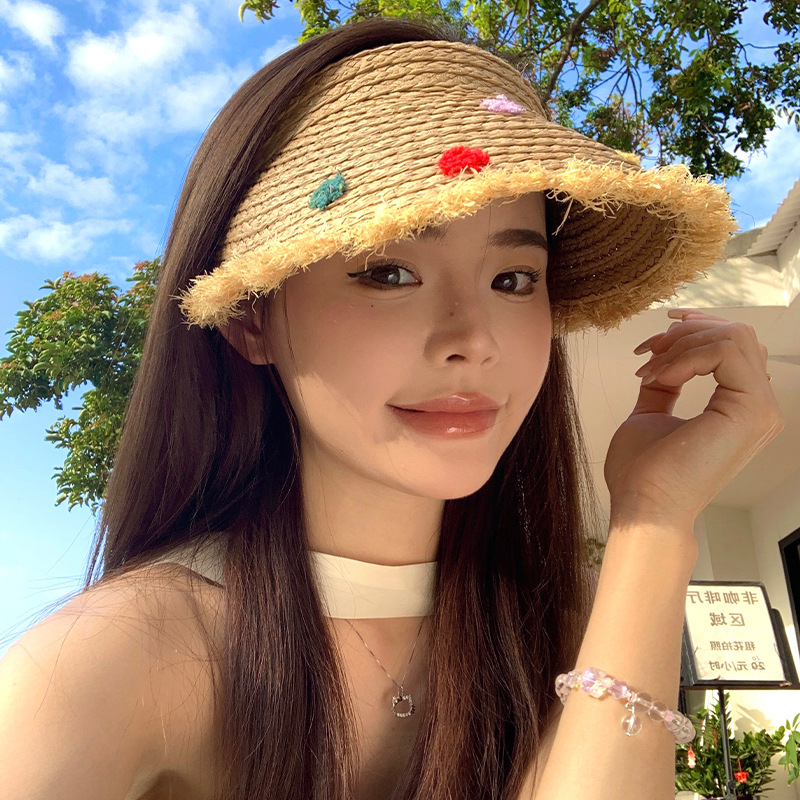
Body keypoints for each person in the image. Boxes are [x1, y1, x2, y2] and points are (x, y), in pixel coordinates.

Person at [0, 16, 783, 800]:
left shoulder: (575, 618)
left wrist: (655, 519)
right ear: (251, 319)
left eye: (513, 279)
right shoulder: (106, 666)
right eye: (388, 273)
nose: (474, 340)